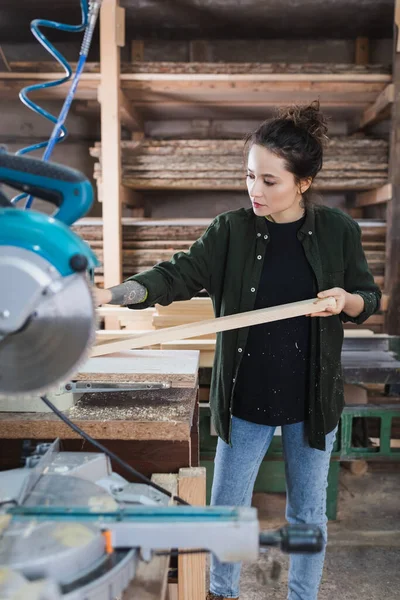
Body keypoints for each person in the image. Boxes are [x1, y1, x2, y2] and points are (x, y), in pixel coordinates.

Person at [96, 101, 381, 600]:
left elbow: (368, 298)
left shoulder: (338, 231)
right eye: (250, 176)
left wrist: (346, 300)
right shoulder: (230, 231)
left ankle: (302, 595)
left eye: (270, 181)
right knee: (228, 510)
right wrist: (113, 294)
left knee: (307, 515)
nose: (255, 189)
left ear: (303, 183)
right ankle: (221, 592)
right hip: (245, 398)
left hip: (312, 401)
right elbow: (175, 275)